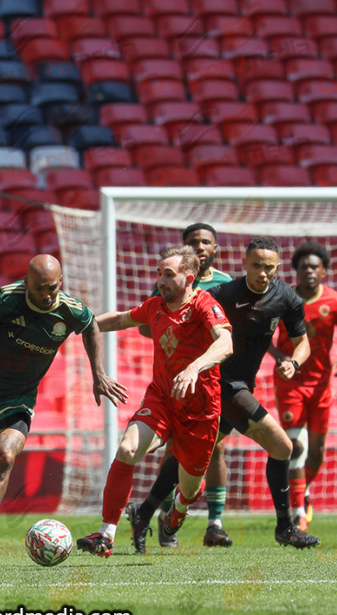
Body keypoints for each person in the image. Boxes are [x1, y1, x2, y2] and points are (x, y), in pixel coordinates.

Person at [0, 255, 128, 566]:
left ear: (59, 283)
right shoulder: (5, 299)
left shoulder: (70, 309)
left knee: (5, 456)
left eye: (52, 288)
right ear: (27, 283)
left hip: (17, 397)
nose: (47, 295)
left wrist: (98, 373)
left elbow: (91, 325)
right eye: (40, 288)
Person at [126, 237, 321, 550]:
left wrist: (294, 362)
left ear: (277, 268)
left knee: (187, 455)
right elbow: (184, 316)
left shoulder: (286, 296)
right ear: (243, 264)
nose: (263, 272)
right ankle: (286, 527)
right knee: (282, 446)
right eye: (256, 265)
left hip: (241, 385)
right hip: (221, 384)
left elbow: (303, 342)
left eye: (269, 267)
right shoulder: (222, 294)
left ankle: (144, 512)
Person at [76, 245, 233, 558]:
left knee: (189, 490)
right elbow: (120, 319)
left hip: (200, 411)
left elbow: (226, 342)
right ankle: (106, 535)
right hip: (161, 399)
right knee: (127, 449)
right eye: (159, 273)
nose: (161, 280)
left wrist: (194, 367)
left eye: (168, 274)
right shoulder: (155, 306)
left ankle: (176, 511)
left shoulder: (205, 305)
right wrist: (79, 322)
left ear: (190, 278)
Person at [138, 223, 235, 548]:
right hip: (175, 382)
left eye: (206, 241)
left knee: (214, 448)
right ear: (186, 250)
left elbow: (229, 334)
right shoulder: (167, 284)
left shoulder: (226, 285)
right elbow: (145, 321)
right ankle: (167, 520)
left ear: (215, 249)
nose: (201, 246)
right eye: (194, 242)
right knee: (171, 451)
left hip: (216, 378)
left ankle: (215, 522)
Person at [271, 241, 337, 530]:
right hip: (289, 381)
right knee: (295, 445)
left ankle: (303, 490)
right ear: (295, 270)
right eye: (303, 266)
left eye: (314, 266)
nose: (309, 270)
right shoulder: (281, 299)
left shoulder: (336, 302)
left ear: (324, 271)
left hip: (321, 385)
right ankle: (297, 514)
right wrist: (278, 355)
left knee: (316, 452)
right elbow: (261, 336)